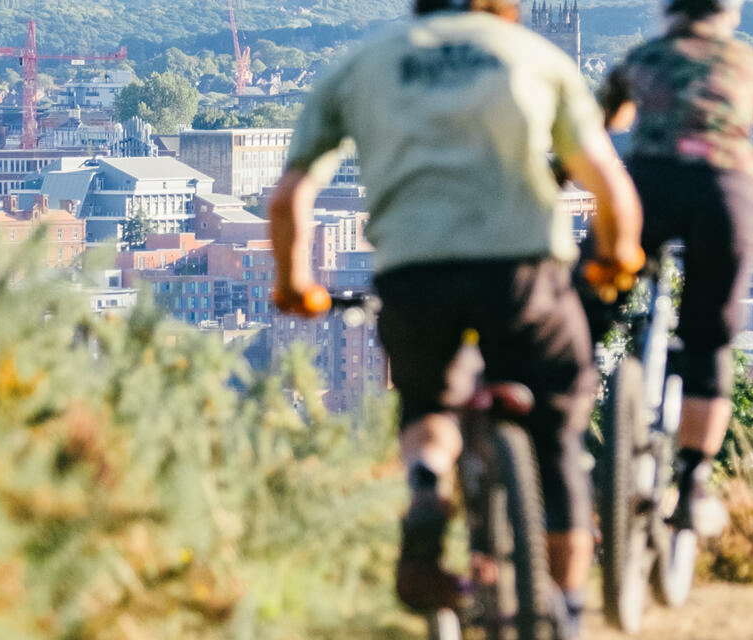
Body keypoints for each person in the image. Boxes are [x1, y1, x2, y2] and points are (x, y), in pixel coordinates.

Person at [267, 0, 645, 630]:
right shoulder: (535, 56)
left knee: (428, 404)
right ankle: (568, 610)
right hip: (523, 273)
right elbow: (608, 182)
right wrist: (617, 258)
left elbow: (287, 198)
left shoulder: (363, 64)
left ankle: (425, 483)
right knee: (557, 436)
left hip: (414, 274)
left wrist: (294, 285)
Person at [591, 0, 753, 534]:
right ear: (729, 14)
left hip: (649, 191)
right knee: (709, 341)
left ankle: (564, 420)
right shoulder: (752, 66)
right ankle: (692, 483)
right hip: (725, 197)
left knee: (586, 304)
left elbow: (592, 132)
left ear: (669, 13)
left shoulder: (641, 59)